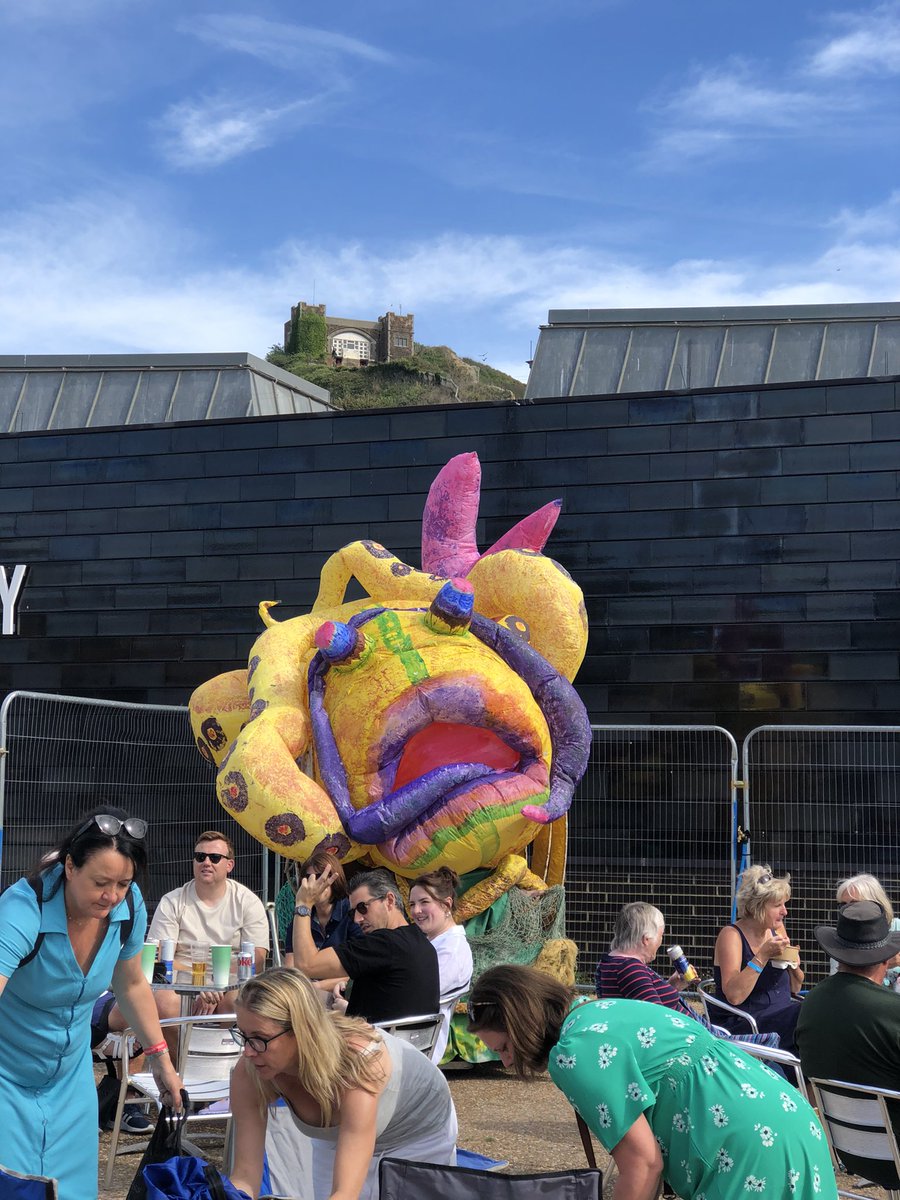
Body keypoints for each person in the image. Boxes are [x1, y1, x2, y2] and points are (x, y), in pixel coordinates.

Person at [468, 964, 837, 1200]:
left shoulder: (572, 1053)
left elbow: (644, 1166)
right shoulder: (595, 1012)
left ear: (522, 1024)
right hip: (786, 1122)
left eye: (504, 1047)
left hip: (746, 1151)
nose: (507, 1061)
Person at [0, 806, 183, 1200]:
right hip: (6, 1078)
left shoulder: (127, 906)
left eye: (123, 883)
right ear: (69, 867)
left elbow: (132, 983)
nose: (112, 896)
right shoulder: (21, 909)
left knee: (73, 1192)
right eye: (101, 882)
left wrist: (161, 1060)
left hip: (71, 1079)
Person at [229, 967, 458, 1200]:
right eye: (243, 1035)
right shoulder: (249, 1071)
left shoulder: (357, 1062)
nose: (247, 1051)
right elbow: (245, 1175)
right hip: (343, 1132)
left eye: (260, 1038)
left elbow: (345, 1194)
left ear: (301, 1030)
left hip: (416, 1128)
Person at [796, 900, 900, 1189]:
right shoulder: (891, 1012)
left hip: (850, 1153)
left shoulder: (812, 1001)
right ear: (886, 959)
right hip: (894, 1154)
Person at [597, 901, 780, 1048]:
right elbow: (657, 1021)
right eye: (661, 935)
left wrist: (673, 987)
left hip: (691, 1042)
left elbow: (644, 1004)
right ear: (646, 939)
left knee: (768, 1049)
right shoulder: (631, 969)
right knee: (771, 1048)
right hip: (693, 1049)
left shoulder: (609, 963)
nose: (661, 941)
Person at [145, 829, 270, 1026]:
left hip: (231, 986)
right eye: (200, 856)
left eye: (215, 857)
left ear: (230, 865)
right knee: (163, 1001)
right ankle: (180, 1056)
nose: (206, 862)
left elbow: (259, 958)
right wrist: (199, 984)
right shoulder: (172, 901)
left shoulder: (248, 901)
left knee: (237, 1002)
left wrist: (217, 983)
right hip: (181, 985)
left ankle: (223, 1055)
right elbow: (162, 959)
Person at [291, 868, 439, 1024]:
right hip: (407, 1045)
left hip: (372, 1045)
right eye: (352, 913)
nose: (357, 919)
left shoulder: (383, 943)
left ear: (389, 900)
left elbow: (306, 965)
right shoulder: (422, 942)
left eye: (363, 908)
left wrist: (304, 904)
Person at [713, 863, 804, 1050]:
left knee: (817, 1008)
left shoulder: (776, 930)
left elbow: (796, 987)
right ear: (757, 907)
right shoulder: (731, 935)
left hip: (780, 1018)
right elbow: (734, 996)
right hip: (744, 1023)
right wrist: (762, 956)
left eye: (784, 904)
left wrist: (793, 964)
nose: (785, 911)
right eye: (777, 905)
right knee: (805, 1015)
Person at [408, 866, 473, 1062]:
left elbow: (418, 996)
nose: (416, 911)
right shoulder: (432, 943)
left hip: (417, 1047)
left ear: (446, 905)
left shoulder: (452, 950)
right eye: (412, 904)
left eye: (424, 902)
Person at [283, 851, 360, 966]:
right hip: (305, 982)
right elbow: (291, 967)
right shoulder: (300, 918)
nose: (314, 883)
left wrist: (317, 985)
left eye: (321, 877)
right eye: (308, 878)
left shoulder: (353, 915)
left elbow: (355, 969)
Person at [831, 873, 900, 986]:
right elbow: (838, 983)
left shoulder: (897, 928)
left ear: (876, 903)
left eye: (855, 904)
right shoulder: (842, 938)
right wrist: (885, 965)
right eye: (843, 905)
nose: (847, 910)